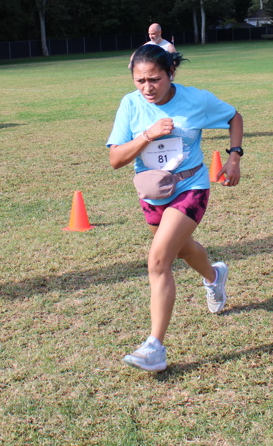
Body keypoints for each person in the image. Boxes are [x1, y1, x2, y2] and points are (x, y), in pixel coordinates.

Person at [107, 44, 244, 372]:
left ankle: (154, 347)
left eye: (154, 79)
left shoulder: (196, 99)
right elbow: (115, 159)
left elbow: (233, 117)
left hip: (191, 187)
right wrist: (147, 134)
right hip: (152, 192)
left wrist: (234, 157)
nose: (147, 88)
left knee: (158, 260)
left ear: (171, 73)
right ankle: (214, 276)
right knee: (181, 249)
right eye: (140, 80)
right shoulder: (130, 104)